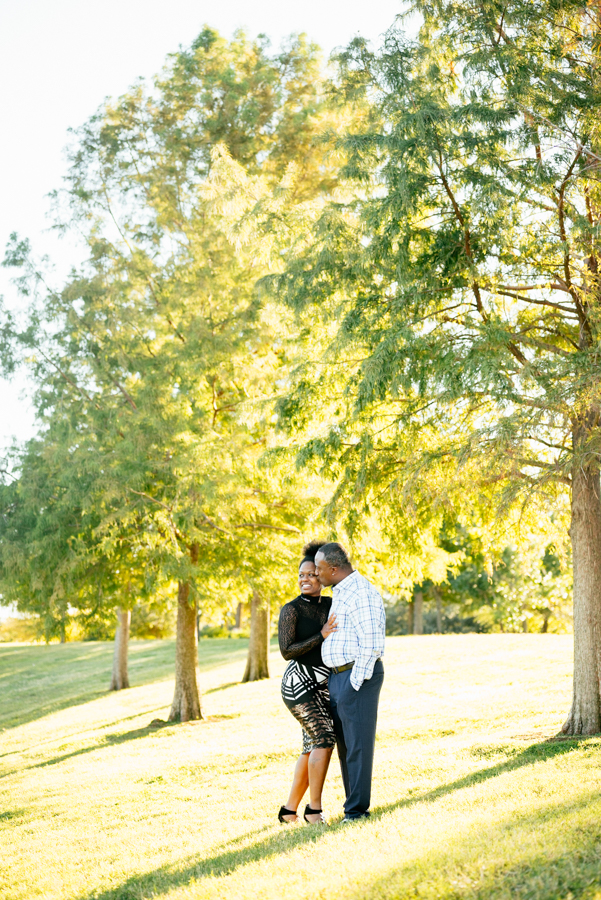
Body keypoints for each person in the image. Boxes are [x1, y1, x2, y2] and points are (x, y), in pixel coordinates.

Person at [315, 542, 385, 822]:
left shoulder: (362, 593)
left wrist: (354, 682)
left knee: (358, 747)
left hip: (357, 678)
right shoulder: (341, 593)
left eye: (319, 569)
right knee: (346, 749)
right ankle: (352, 808)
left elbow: (372, 643)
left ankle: (356, 812)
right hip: (339, 678)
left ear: (333, 569)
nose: (316, 575)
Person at [277, 542, 338, 825]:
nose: (305, 579)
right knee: (324, 740)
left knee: (311, 745)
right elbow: (287, 650)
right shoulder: (291, 610)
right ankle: (314, 811)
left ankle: (288, 811)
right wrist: (321, 636)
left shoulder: (330, 603)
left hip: (323, 685)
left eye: (312, 574)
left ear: (323, 577)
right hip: (298, 684)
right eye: (301, 575)